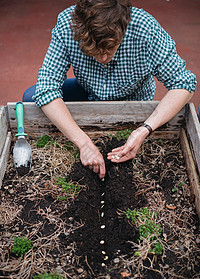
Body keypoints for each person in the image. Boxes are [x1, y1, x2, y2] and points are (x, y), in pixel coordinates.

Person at [23, 0, 196, 179]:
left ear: (123, 29)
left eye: (110, 48)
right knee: (30, 98)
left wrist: (144, 129)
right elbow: (46, 87)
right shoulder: (68, 26)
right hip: (88, 91)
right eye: (94, 51)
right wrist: (83, 143)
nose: (103, 58)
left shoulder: (145, 28)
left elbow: (183, 83)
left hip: (133, 100)